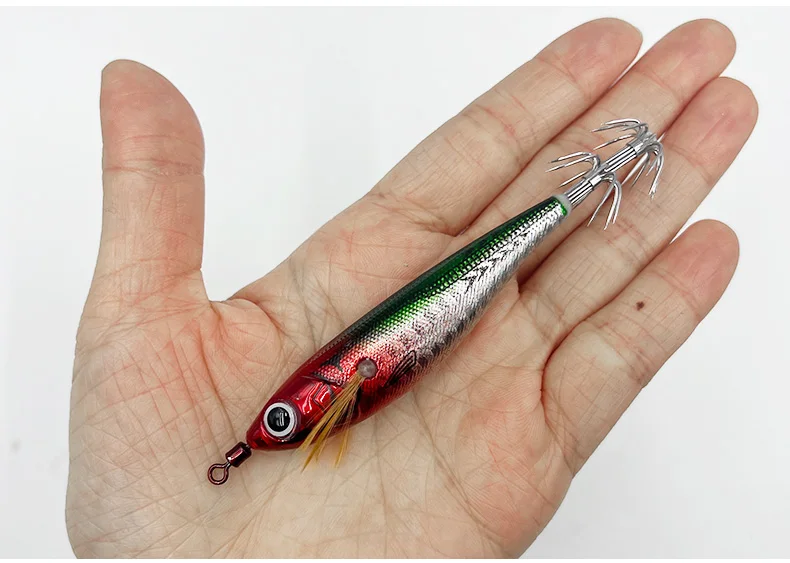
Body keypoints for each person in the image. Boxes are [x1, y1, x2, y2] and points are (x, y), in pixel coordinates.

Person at [66, 18, 757, 558]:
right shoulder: (324, 407)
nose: (280, 419)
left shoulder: (321, 396)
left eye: (282, 416)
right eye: (282, 419)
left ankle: (581, 190)